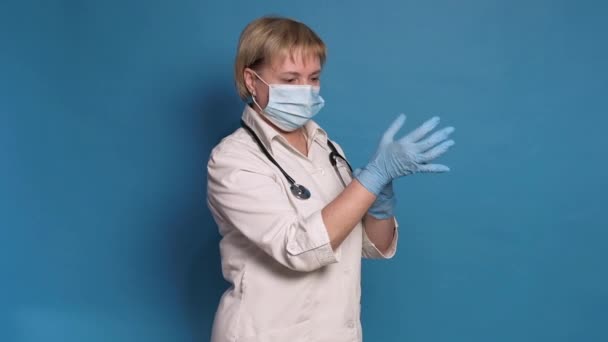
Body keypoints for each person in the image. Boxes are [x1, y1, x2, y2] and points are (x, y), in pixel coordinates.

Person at [206, 16, 455, 342]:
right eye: (290, 79)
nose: (305, 91)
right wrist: (370, 179)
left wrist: (378, 201)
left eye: (313, 78)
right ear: (252, 81)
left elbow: (368, 246)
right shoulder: (233, 159)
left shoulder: (328, 148)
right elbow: (300, 250)